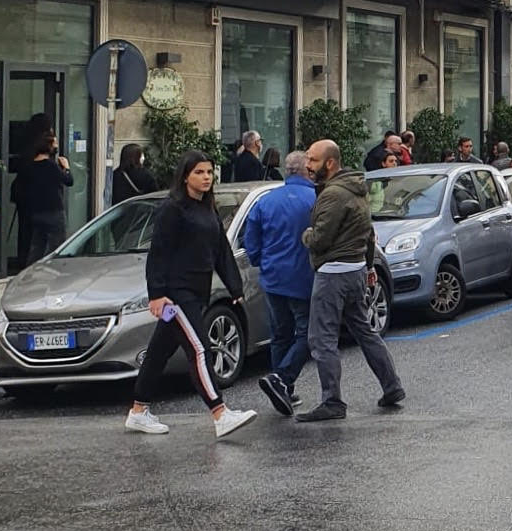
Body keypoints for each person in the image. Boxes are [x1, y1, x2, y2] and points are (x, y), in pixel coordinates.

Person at [124, 150, 258, 438]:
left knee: (160, 351)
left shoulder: (207, 208)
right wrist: (157, 294)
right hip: (176, 295)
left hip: (198, 293)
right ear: (185, 176)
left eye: (209, 172)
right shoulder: (172, 209)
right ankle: (220, 413)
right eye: (199, 172)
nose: (206, 177)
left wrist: (235, 288)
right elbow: (158, 252)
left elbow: (221, 249)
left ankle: (138, 411)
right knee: (199, 349)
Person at [296, 139, 405, 421]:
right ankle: (392, 386)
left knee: (322, 339)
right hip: (355, 269)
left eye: (313, 160)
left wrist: (306, 235)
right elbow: (368, 233)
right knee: (364, 331)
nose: (308, 165)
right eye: (307, 159)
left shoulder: (333, 195)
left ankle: (332, 401)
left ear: (330, 163)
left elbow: (320, 239)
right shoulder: (355, 189)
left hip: (333, 273)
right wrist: (368, 266)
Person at [243, 151, 317, 416]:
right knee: (308, 333)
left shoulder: (266, 200)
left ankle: (285, 386)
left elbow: (250, 239)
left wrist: (261, 261)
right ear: (307, 170)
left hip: (273, 276)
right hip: (303, 275)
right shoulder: (315, 199)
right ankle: (282, 379)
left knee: (280, 333)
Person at [17, 130, 73, 265]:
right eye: (55, 143)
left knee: (37, 246)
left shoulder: (30, 166)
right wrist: (66, 167)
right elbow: (68, 181)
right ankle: (52, 270)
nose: (57, 146)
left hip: (36, 212)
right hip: (53, 211)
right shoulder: (51, 166)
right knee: (57, 246)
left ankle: (31, 271)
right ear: (48, 146)